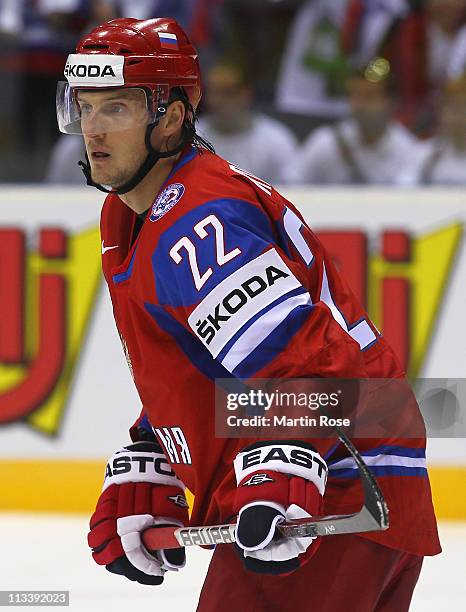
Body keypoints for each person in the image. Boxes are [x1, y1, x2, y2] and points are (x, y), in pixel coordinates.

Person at [55, 17, 440, 611]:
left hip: (338, 484)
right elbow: (211, 360)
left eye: (118, 107)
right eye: (85, 106)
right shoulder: (135, 213)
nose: (93, 128)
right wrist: (155, 454)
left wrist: (287, 464)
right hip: (347, 472)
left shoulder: (200, 220)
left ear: (173, 118)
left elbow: (297, 363)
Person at [286, 57, 427, 185]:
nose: (360, 105)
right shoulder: (326, 142)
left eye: (369, 96)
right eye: (355, 96)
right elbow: (292, 181)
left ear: (391, 102)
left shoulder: (409, 150)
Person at [197, 61, 298, 185]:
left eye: (226, 93)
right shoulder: (191, 136)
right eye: (212, 92)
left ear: (246, 94)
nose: (215, 101)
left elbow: (293, 191)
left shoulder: (276, 140)